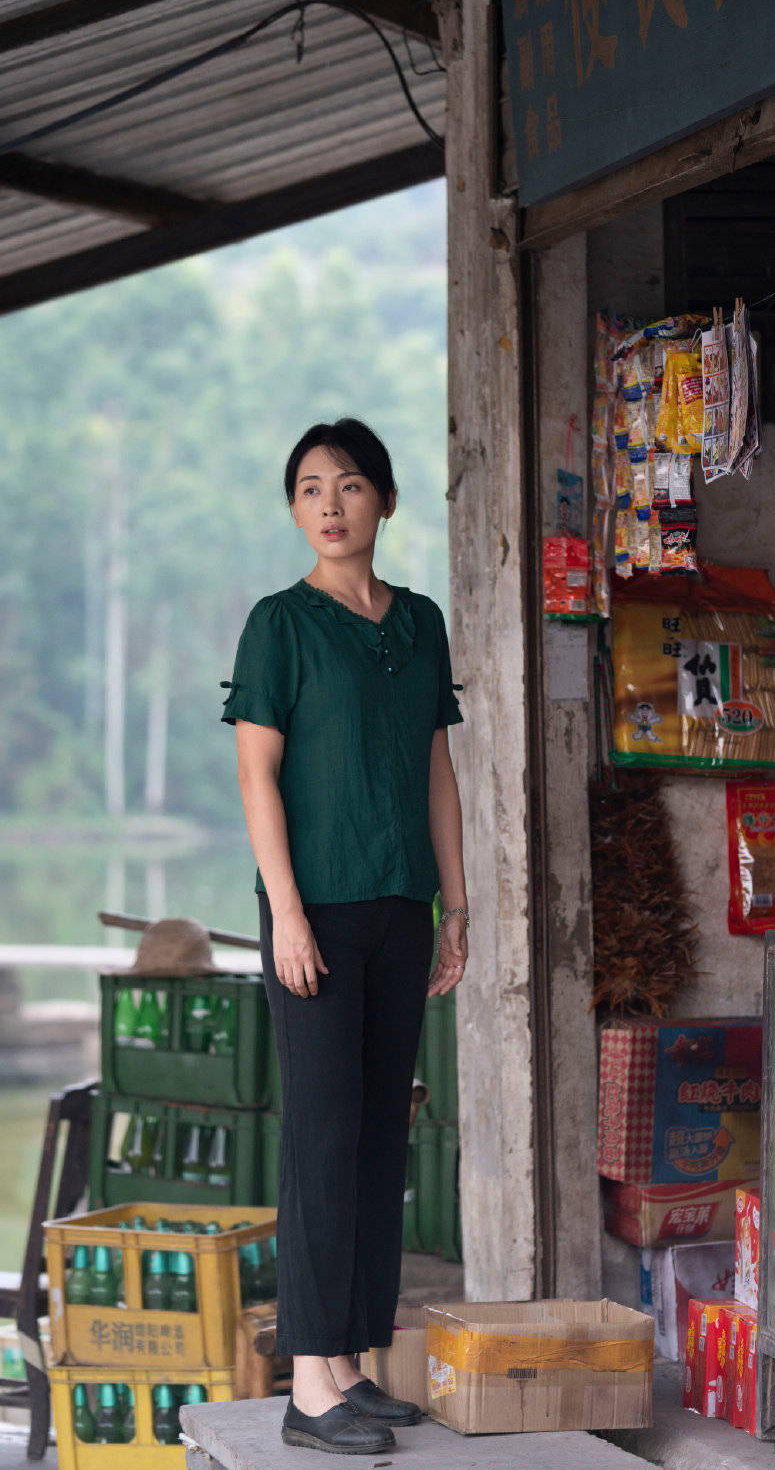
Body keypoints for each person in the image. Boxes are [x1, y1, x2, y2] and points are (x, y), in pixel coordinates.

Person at [220, 418, 467, 1456]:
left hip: (398, 908)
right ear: (294, 510)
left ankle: (349, 1364)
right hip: (311, 911)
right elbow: (256, 774)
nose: (331, 504)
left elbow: (437, 773)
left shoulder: (419, 622)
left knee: (376, 1136)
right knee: (322, 1137)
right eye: (311, 488)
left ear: (385, 502)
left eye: (351, 484)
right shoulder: (279, 623)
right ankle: (306, 1386)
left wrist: (457, 907)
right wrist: (283, 910)